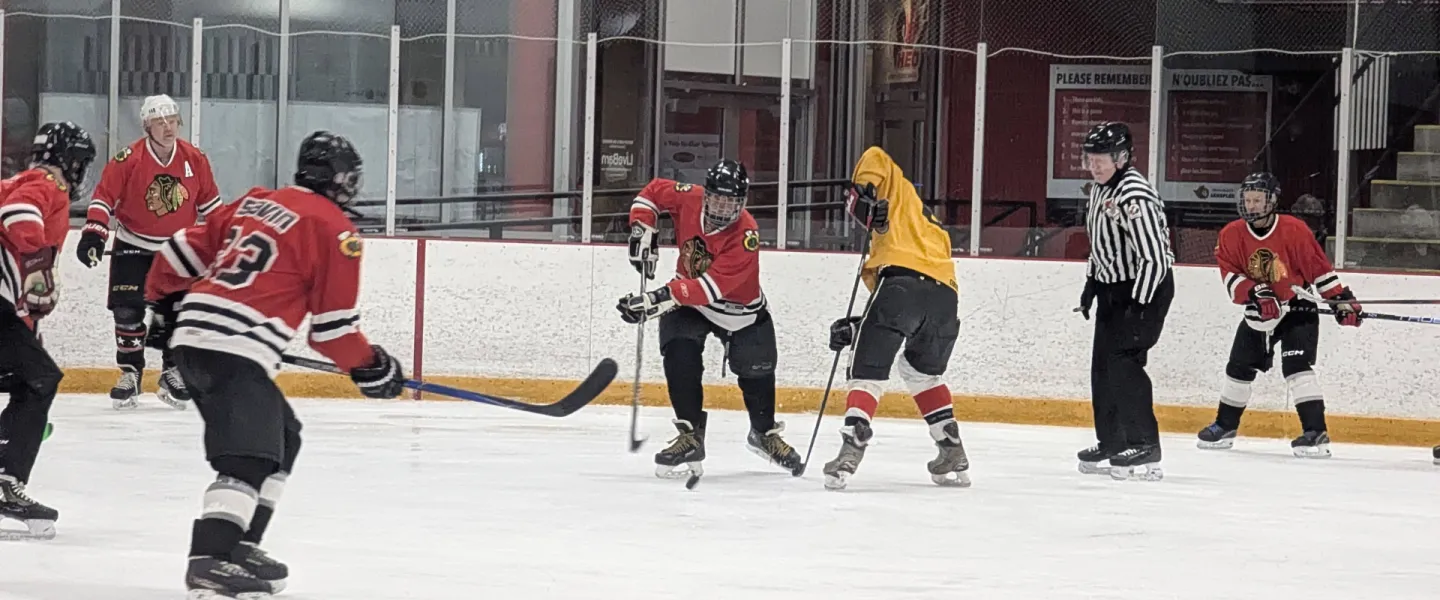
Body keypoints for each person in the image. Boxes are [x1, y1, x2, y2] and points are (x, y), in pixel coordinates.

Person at [144, 131, 406, 596]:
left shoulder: (256, 202)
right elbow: (332, 332)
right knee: (250, 454)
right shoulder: (336, 230)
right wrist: (373, 366)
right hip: (230, 348)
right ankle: (210, 557)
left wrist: (164, 307)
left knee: (284, 437)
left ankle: (242, 544)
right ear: (343, 180)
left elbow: (178, 250)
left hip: (197, 340)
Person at [618, 159, 801, 480]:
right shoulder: (689, 196)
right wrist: (642, 227)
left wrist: (655, 299)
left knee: (756, 370)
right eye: (718, 199)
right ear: (707, 195)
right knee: (679, 351)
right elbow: (651, 193)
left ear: (742, 202)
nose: (724, 207)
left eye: (732, 202)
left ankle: (763, 433)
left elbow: (709, 288)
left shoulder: (747, 233)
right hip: (688, 302)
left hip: (739, 311)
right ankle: (690, 434)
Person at [821, 146, 966, 490]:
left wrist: (864, 191)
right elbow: (901, 315)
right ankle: (951, 448)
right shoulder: (928, 226)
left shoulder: (895, 188)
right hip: (946, 298)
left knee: (866, 371)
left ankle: (850, 448)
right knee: (919, 371)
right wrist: (859, 326)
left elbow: (875, 156)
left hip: (901, 286)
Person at [1198, 172, 1363, 458]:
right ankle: (1225, 426)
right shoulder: (1231, 234)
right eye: (1247, 200)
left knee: (1296, 367)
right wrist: (1256, 291)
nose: (1251, 206)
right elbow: (1230, 274)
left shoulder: (1295, 230)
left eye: (1257, 200)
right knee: (1238, 368)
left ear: (1272, 201)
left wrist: (1340, 301)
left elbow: (1319, 271)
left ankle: (1315, 432)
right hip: (1258, 312)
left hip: (1297, 307)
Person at [79, 94, 222, 410]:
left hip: (178, 251)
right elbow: (103, 199)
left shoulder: (194, 158)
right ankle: (130, 372)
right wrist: (93, 233)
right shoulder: (128, 159)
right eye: (160, 122)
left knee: (176, 315)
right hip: (134, 244)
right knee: (127, 312)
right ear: (147, 125)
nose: (168, 127)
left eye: (172, 120)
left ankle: (172, 372)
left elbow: (212, 207)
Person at [0, 122, 97, 539]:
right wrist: (39, 265)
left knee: (29, 378)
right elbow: (18, 215)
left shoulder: (16, 179)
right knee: (39, 380)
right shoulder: (45, 184)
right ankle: (5, 481)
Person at [1073, 121, 1175, 482]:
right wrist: (1091, 284)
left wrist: (1139, 305)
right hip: (1112, 290)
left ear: (1122, 157)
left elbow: (1156, 259)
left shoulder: (1135, 195)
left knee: (1124, 363)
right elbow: (1100, 244)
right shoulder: (1099, 190)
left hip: (1145, 288)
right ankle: (1113, 441)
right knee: (1103, 366)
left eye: (1101, 158)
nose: (1094, 165)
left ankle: (1144, 442)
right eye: (1091, 158)